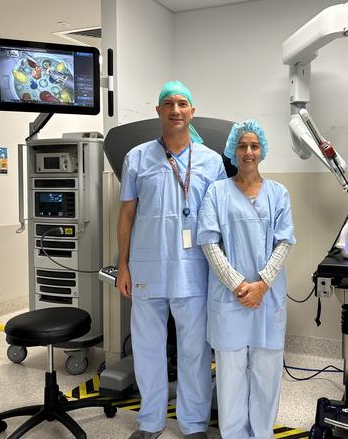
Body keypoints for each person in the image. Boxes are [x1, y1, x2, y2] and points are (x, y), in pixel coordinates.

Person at [117, 81, 226, 439]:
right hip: (147, 268)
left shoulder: (211, 162)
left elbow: (220, 218)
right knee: (147, 349)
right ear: (158, 111)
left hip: (194, 270)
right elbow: (127, 216)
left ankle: (193, 423)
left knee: (195, 351)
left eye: (182, 104)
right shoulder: (137, 157)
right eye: (168, 104)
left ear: (192, 111)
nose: (175, 110)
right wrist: (123, 266)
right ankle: (150, 421)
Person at [197, 120, 295, 439]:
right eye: (242, 146)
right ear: (233, 152)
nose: (249, 151)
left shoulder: (279, 194)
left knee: (267, 374)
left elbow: (284, 243)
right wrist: (239, 285)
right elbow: (209, 243)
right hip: (231, 298)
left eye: (254, 145)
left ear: (262, 150)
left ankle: (262, 433)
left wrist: (262, 284)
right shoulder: (217, 192)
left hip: (268, 297)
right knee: (230, 376)